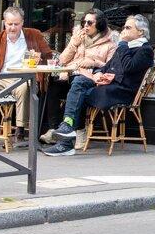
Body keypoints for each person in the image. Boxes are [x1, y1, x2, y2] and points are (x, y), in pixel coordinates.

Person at [42, 14, 155, 156]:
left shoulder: (144, 49)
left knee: (77, 94)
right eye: (124, 27)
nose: (124, 31)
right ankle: (66, 128)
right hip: (106, 84)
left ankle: (66, 141)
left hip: (121, 91)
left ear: (141, 32)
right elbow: (108, 66)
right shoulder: (126, 46)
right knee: (79, 81)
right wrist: (98, 73)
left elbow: (128, 67)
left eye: (128, 28)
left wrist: (122, 44)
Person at [38, 10, 118, 144]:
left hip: (93, 79)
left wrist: (94, 62)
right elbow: (62, 60)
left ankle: (78, 130)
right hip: (73, 74)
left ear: (99, 24)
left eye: (89, 22)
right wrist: (73, 43)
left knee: (78, 86)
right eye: (83, 22)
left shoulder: (110, 44)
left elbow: (110, 67)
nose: (85, 25)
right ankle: (54, 129)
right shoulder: (78, 38)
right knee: (53, 86)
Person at [0, 7, 51, 142]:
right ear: (4, 23)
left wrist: (38, 57)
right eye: (10, 24)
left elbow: (48, 55)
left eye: (16, 24)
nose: (13, 28)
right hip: (2, 78)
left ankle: (20, 128)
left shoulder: (33, 34)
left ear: (22, 23)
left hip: (25, 78)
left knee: (24, 88)